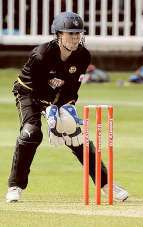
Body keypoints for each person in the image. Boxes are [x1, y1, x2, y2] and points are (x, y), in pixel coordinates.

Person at [5, 12, 128, 203]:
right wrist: (50, 112)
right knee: (31, 133)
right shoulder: (42, 54)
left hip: (57, 96)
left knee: (76, 134)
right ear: (58, 34)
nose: (75, 38)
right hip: (28, 92)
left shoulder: (83, 56)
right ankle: (15, 186)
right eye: (70, 34)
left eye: (78, 34)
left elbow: (71, 89)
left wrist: (66, 111)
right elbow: (37, 89)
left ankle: (106, 185)